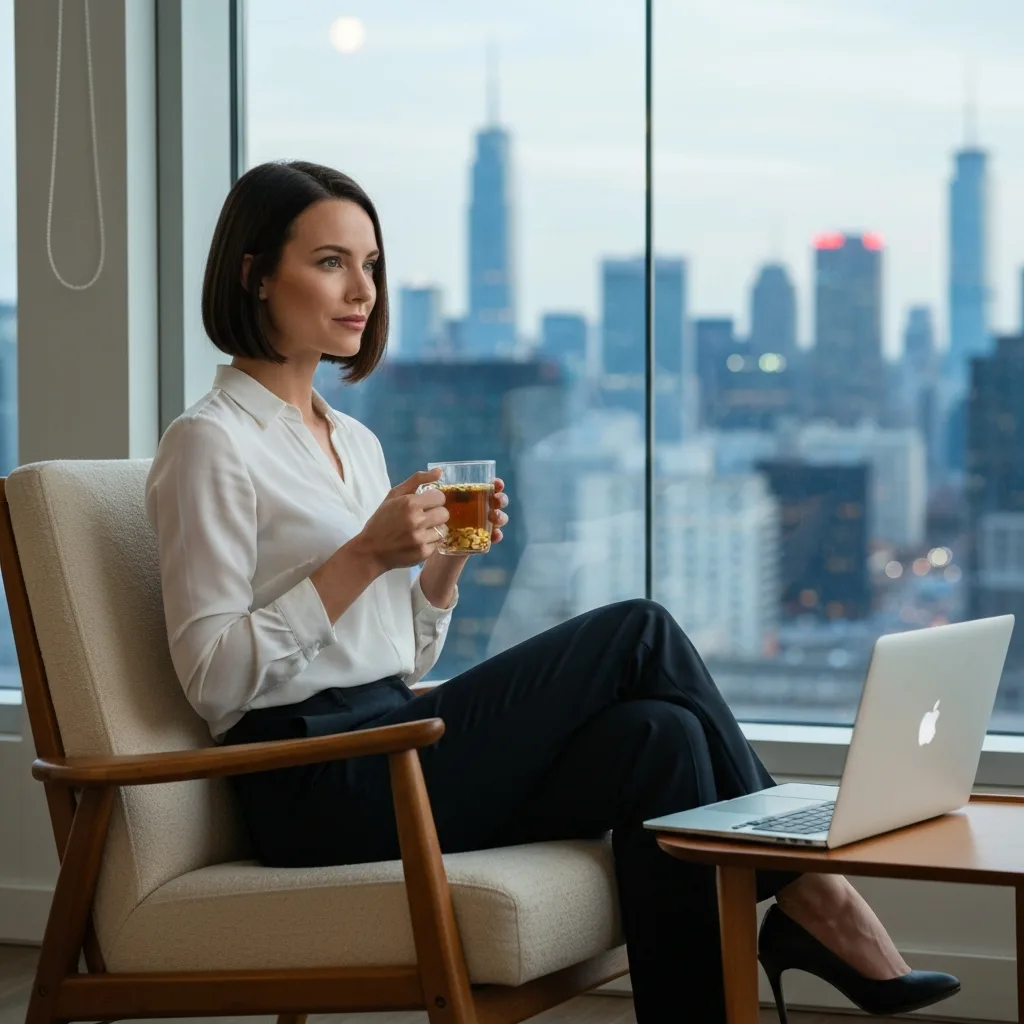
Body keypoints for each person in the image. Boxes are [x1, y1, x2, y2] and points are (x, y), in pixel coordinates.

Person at [145, 160, 959, 1022]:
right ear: (254, 274)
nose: (363, 291)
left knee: (663, 736)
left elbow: (402, 653)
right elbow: (214, 680)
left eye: (372, 265)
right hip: (314, 783)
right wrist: (361, 556)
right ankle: (816, 898)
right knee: (638, 629)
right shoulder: (210, 444)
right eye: (331, 263)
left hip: (394, 732)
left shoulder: (352, 440)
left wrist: (441, 568)